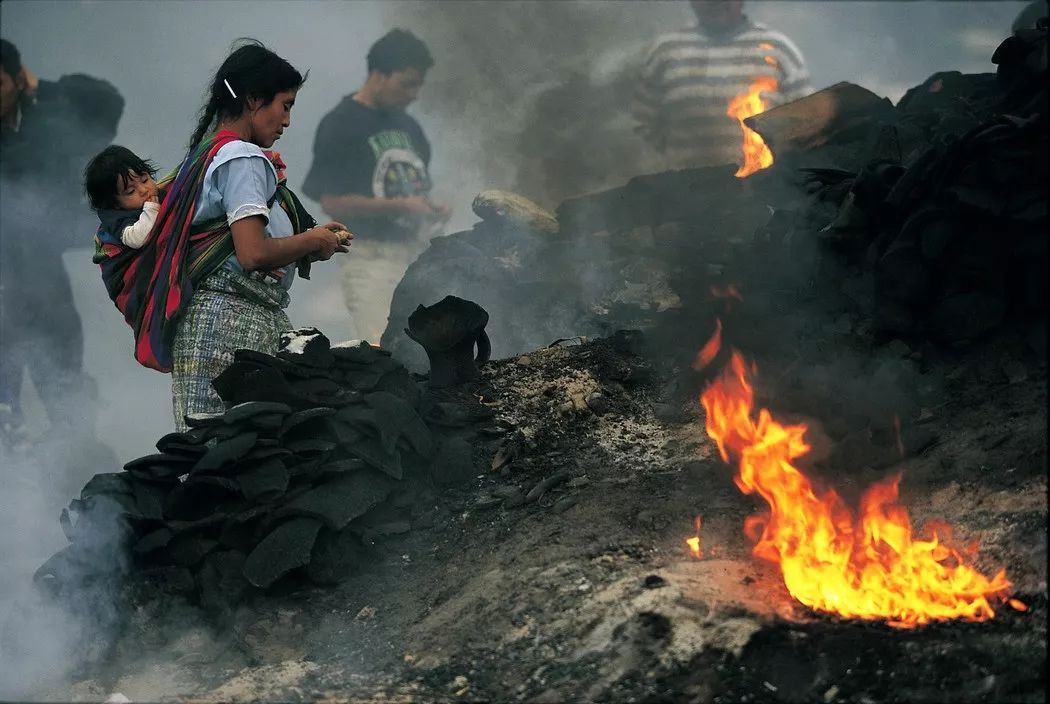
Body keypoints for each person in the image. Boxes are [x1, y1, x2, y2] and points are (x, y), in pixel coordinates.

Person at [96, 40, 351, 431]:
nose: (287, 121)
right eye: (285, 106)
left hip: (214, 325)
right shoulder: (242, 157)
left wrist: (311, 241)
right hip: (230, 325)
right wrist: (313, 241)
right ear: (253, 100)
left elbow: (233, 241)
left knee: (215, 459)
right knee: (237, 458)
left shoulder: (210, 153)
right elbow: (252, 253)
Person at [0, 38, 122, 475]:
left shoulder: (43, 114)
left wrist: (39, 89)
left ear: (17, 80)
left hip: (40, 269)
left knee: (63, 371)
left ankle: (74, 466)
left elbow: (107, 103)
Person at [302, 28, 449, 345]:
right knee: (382, 350)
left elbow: (415, 189)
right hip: (370, 260)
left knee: (426, 349)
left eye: (418, 85)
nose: (413, 94)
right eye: (407, 83)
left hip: (416, 255)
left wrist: (431, 207)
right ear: (379, 73)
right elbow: (332, 202)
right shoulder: (341, 122)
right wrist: (400, 206)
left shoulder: (410, 127)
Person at [632, 0, 813, 171]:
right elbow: (642, 126)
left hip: (759, 193)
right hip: (686, 192)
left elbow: (808, 124)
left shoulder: (778, 49)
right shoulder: (665, 51)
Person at [84, 145, 161, 249]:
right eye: (131, 191)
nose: (144, 190)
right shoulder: (117, 219)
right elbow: (138, 239)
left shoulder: (164, 193)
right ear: (114, 204)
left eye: (144, 180)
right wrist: (151, 209)